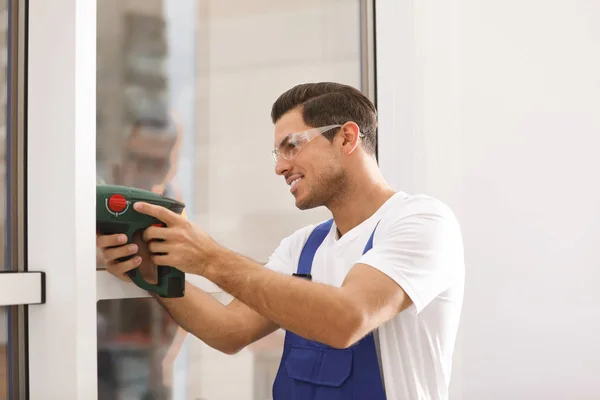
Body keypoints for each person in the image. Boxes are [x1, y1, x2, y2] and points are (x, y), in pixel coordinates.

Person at [97, 82, 465, 399]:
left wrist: (210, 258)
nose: (280, 166)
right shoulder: (302, 247)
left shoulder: (422, 222)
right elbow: (230, 330)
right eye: (278, 153)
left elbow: (348, 319)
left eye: (292, 145)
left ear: (347, 137)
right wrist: (150, 269)